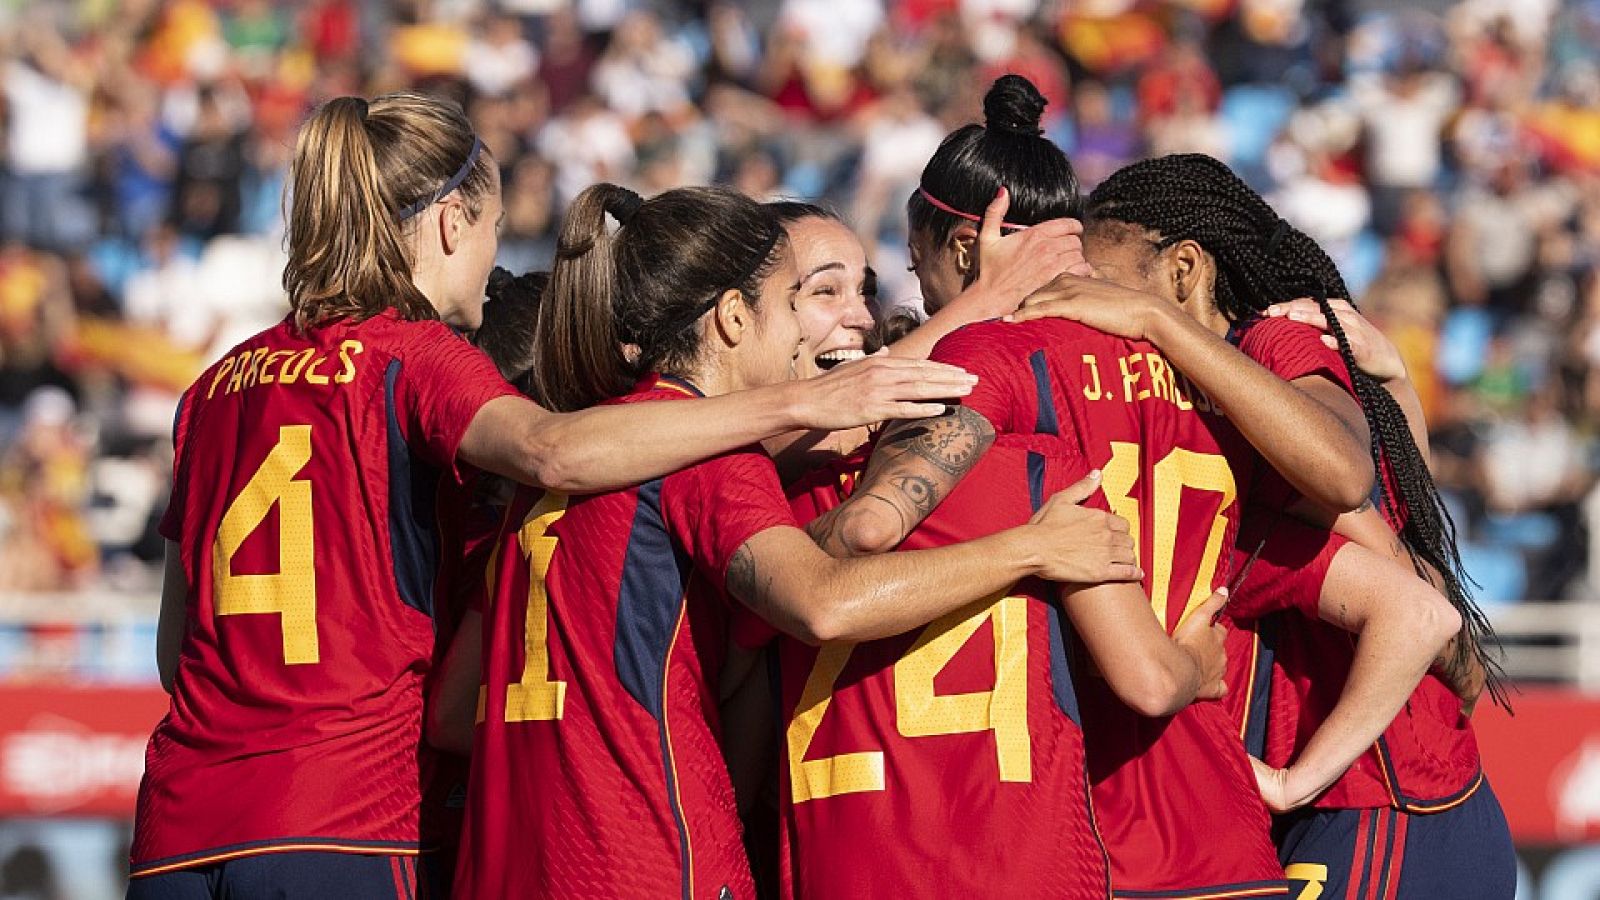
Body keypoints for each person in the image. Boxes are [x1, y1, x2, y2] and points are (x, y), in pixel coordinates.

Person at [127, 92, 975, 898]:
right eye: (495, 228)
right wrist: (805, 401)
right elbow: (550, 450)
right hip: (341, 815)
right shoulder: (411, 353)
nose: (495, 258)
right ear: (455, 219)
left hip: (178, 826)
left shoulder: (210, 390)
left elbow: (179, 653)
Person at [452, 182, 1139, 898]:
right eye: (793, 304)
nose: (809, 334)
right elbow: (821, 603)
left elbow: (454, 712)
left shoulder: (580, 457)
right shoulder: (710, 460)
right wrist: (1030, 548)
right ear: (730, 319)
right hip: (643, 856)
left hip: (508, 862)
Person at [1015, 153, 1514, 900]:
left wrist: (1290, 783)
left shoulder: (1268, 344)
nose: (1093, 308)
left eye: (1106, 285)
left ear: (1184, 269)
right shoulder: (1180, 395)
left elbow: (1349, 478)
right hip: (1352, 802)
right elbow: (1396, 524)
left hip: (1381, 801)